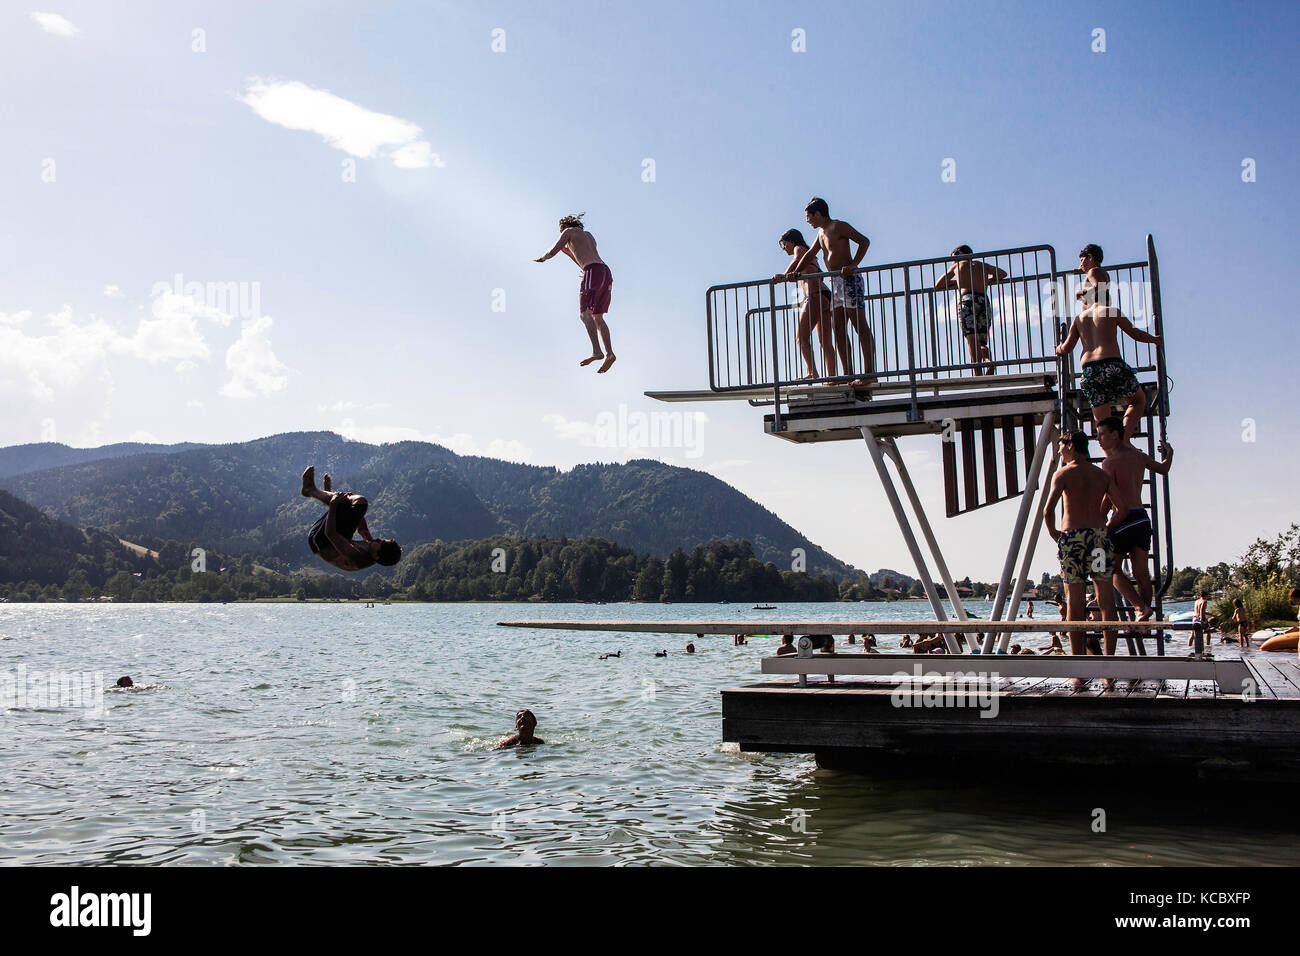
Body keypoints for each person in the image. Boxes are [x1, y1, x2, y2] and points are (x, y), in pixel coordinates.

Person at [1056, 245, 1162, 441]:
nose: (1081, 264)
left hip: (1090, 370)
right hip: (1111, 364)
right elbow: (1135, 333)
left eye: (1082, 259)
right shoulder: (1111, 311)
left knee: (1102, 423)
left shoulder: (1080, 317)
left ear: (1090, 258)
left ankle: (1109, 447)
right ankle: (1123, 439)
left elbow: (1066, 348)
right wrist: (1155, 340)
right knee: (1138, 400)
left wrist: (1058, 347)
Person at [1043, 432, 1127, 654]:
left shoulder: (1063, 474)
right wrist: (1104, 529)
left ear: (1070, 445)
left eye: (1061, 447)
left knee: (1075, 602)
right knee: (1106, 599)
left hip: (1073, 540)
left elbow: (1048, 510)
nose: (1059, 452)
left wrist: (1054, 534)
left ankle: (1078, 661)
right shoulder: (1101, 475)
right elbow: (1122, 509)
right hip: (1098, 540)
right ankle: (1110, 657)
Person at [787, 198, 875, 387]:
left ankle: (870, 373)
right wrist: (794, 273)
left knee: (859, 326)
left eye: (809, 216)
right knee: (839, 329)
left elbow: (864, 242)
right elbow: (810, 254)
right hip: (835, 282)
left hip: (849, 280)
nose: (807, 220)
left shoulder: (839, 226)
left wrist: (854, 264)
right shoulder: (820, 234)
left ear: (818, 214)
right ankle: (847, 375)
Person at [1096, 416, 1173, 620]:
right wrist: (1170, 454)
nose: (1098, 439)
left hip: (1123, 519)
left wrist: (1098, 520)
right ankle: (1145, 617)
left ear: (1115, 434)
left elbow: (1108, 496)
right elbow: (1163, 469)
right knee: (1141, 573)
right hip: (1141, 518)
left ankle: (1140, 608)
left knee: (1110, 568)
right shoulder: (1138, 455)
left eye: (1102, 434)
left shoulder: (1109, 462)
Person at [535, 213, 615, 373]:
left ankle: (597, 351)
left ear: (564, 227)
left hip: (592, 270)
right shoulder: (588, 235)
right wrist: (579, 263)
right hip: (605, 271)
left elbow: (553, 250)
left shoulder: (568, 232)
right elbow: (581, 256)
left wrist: (543, 258)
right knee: (597, 316)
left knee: (585, 314)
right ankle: (609, 354)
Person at [301, 467, 401, 571]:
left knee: (351, 503)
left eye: (381, 543)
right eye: (383, 540)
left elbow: (330, 533)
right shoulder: (373, 550)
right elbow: (363, 530)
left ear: (376, 556)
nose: (379, 539)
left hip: (320, 541)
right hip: (332, 537)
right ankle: (325, 494)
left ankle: (310, 490)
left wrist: (333, 505)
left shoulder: (357, 556)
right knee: (356, 503)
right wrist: (349, 506)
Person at [934, 245, 1007, 375]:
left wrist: (959, 281)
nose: (952, 262)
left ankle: (977, 371)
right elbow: (1002, 274)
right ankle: (988, 360)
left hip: (967, 300)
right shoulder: (982, 265)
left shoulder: (957, 266)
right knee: (981, 340)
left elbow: (939, 284)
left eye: (953, 259)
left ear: (959, 254)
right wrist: (988, 280)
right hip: (983, 300)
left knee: (971, 338)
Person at [776, 228, 836, 379]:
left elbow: (797, 261)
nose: (784, 249)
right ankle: (833, 377)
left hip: (815, 296)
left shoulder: (799, 248)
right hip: (825, 295)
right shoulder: (809, 252)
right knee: (825, 341)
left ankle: (812, 372)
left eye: (784, 244)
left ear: (791, 241)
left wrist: (783, 276)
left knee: (801, 337)